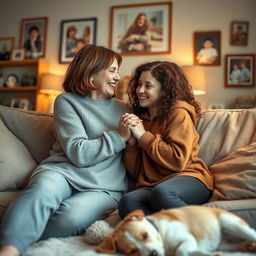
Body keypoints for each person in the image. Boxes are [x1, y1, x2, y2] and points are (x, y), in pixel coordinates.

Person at [0, 44, 132, 256]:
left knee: (70, 218)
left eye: (117, 71)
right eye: (112, 70)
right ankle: (9, 249)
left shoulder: (125, 109)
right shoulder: (66, 101)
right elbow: (78, 152)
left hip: (103, 186)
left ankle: (23, 238)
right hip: (62, 171)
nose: (118, 77)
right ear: (91, 72)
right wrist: (119, 137)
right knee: (41, 191)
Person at [117, 61, 214, 218]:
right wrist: (132, 144)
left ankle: (203, 228)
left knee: (162, 194)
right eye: (139, 84)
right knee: (128, 202)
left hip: (188, 177)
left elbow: (178, 160)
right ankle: (161, 235)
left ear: (164, 90)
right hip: (153, 185)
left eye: (148, 86)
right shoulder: (141, 119)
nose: (140, 90)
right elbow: (137, 172)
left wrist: (143, 136)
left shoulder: (179, 113)